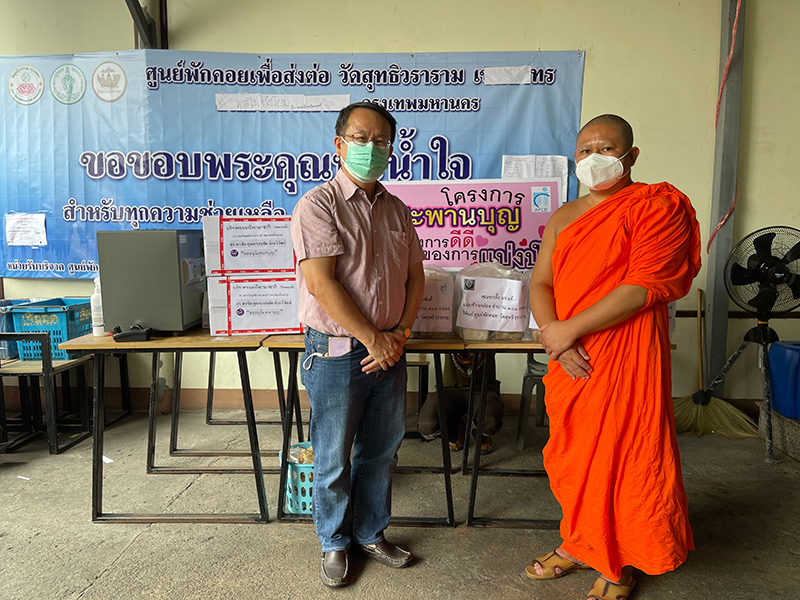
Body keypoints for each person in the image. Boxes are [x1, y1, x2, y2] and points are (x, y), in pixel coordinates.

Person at [526, 114, 701, 600]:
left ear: (631, 156)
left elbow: (645, 286)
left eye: (606, 148)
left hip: (627, 352)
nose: (593, 159)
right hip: (570, 354)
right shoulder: (563, 216)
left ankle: (621, 559)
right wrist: (552, 332)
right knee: (576, 455)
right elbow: (541, 283)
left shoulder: (655, 206)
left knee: (628, 454)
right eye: (584, 151)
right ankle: (580, 541)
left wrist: (566, 332)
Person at [291, 102, 425, 588]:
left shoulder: (397, 209)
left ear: (391, 148)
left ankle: (370, 533)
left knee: (383, 450)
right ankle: (334, 543)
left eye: (381, 140)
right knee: (333, 454)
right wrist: (376, 340)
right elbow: (322, 285)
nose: (371, 148)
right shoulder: (318, 206)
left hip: (390, 347)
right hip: (337, 352)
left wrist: (400, 335)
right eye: (360, 138)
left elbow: (415, 277)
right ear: (339, 144)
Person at [417, 351, 503, 454]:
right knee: (427, 424)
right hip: (449, 389)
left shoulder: (489, 335)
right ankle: (455, 428)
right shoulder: (449, 336)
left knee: (489, 421)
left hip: (483, 389)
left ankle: (481, 436)